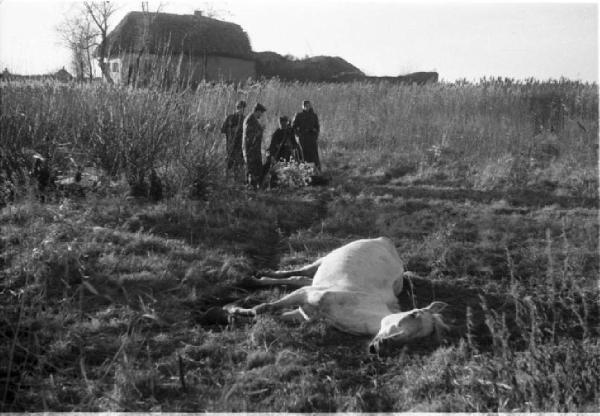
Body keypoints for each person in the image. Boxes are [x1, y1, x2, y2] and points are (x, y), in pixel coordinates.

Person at [261, 116, 301, 186]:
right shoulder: (277, 133)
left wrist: (292, 145)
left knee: (288, 168)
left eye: (284, 123)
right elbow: (272, 146)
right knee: (278, 169)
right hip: (279, 155)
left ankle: (288, 182)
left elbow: (294, 143)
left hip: (288, 154)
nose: (283, 125)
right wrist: (273, 154)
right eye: (281, 123)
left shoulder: (290, 132)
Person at [221, 100, 247, 181]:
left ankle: (237, 182)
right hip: (231, 145)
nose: (240, 110)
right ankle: (226, 181)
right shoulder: (230, 117)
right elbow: (222, 129)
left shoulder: (245, 119)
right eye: (238, 108)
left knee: (239, 165)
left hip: (240, 147)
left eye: (241, 108)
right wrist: (232, 130)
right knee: (229, 164)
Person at [242, 103, 267, 188]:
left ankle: (255, 188)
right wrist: (261, 130)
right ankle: (250, 188)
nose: (261, 115)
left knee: (257, 169)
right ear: (257, 111)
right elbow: (249, 136)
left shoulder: (253, 120)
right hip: (250, 150)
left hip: (255, 150)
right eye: (261, 113)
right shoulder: (249, 120)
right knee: (251, 169)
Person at [292, 100, 321, 171]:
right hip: (303, 138)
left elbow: (317, 127)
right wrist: (298, 135)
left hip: (312, 138)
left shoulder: (314, 116)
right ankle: (304, 171)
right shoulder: (299, 115)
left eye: (308, 105)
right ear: (303, 106)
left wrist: (315, 134)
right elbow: (294, 126)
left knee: (314, 156)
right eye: (305, 106)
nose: (307, 107)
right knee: (303, 155)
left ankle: (316, 171)